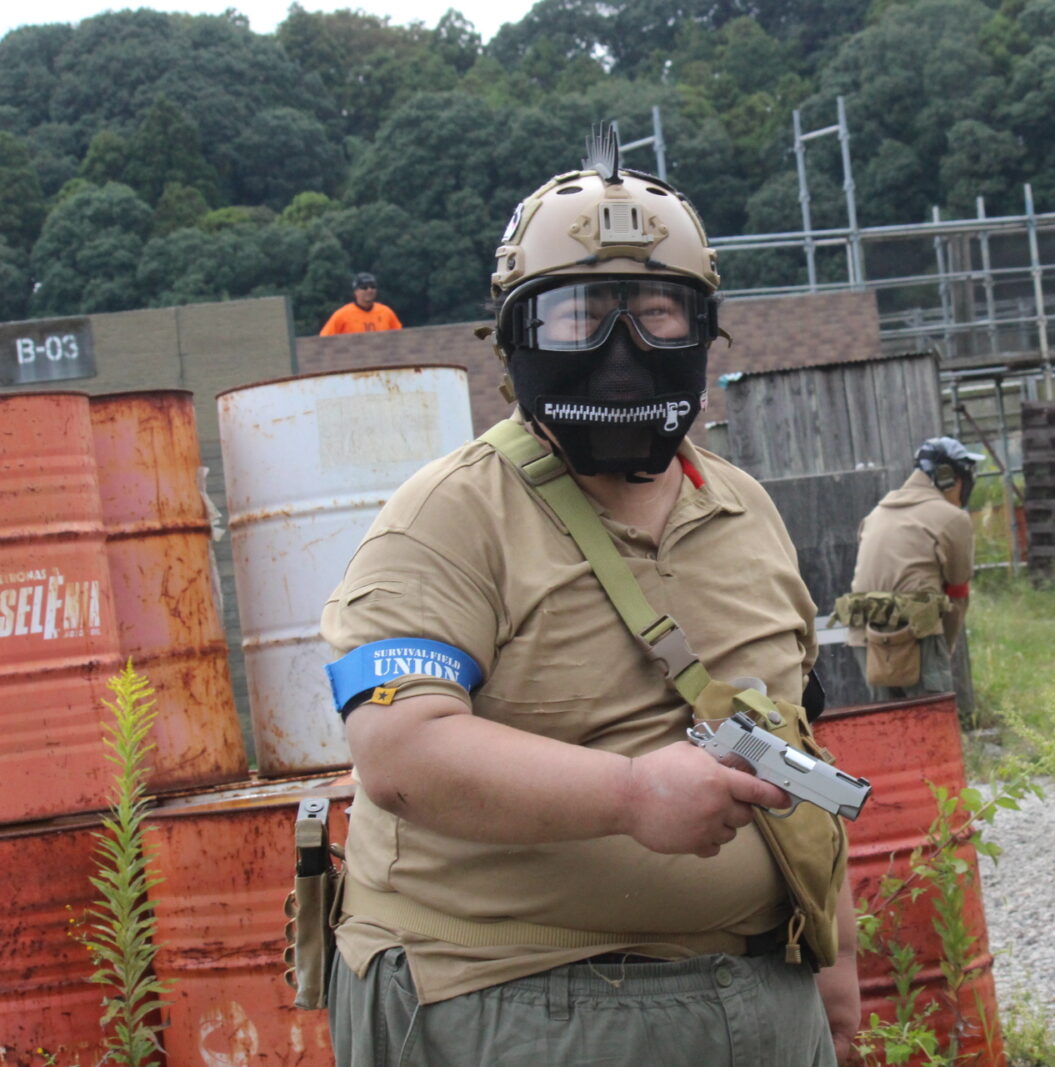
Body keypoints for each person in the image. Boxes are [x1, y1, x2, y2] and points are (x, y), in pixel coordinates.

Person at [319, 129, 858, 1065]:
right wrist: (630, 793)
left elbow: (792, 741)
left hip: (761, 997)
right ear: (514, 340)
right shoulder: (447, 516)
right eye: (579, 317)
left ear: (705, 332)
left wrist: (834, 960)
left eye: (659, 313)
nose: (623, 350)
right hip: (511, 1001)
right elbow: (399, 752)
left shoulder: (745, 511)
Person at [836, 436, 979, 701]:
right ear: (947, 478)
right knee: (932, 719)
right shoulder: (952, 518)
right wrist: (943, 648)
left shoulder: (876, 514)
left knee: (887, 722)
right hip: (917, 633)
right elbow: (958, 593)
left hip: (864, 636)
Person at [319, 272, 402, 335]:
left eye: (373, 286)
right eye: (364, 287)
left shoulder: (386, 312)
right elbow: (324, 339)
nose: (369, 290)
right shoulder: (342, 315)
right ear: (356, 291)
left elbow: (400, 336)